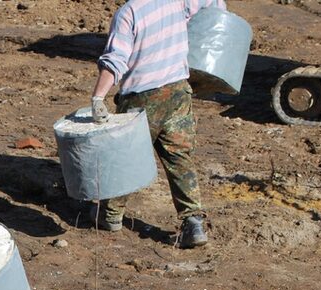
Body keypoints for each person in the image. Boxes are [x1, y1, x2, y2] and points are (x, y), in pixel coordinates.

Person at [91, 0, 226, 248]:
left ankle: (110, 216)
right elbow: (214, 4)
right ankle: (193, 222)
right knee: (179, 159)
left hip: (142, 97)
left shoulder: (128, 13)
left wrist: (98, 97)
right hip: (178, 92)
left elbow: (116, 60)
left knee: (128, 157)